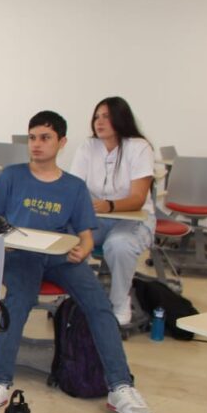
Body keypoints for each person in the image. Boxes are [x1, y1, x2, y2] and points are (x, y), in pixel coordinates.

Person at [0, 111, 154, 413]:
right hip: (21, 255)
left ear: (62, 142)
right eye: (32, 137)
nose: (37, 144)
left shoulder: (73, 186)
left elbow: (85, 235)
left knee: (99, 306)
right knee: (17, 303)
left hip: (61, 257)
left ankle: (120, 386)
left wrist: (84, 249)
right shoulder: (11, 175)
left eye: (45, 138)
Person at [70, 97, 155, 326]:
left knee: (118, 245)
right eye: (97, 116)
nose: (99, 122)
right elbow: (74, 186)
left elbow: (138, 198)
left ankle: (120, 303)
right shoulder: (88, 146)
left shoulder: (139, 147)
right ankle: (83, 298)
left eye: (106, 116)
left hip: (133, 220)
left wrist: (110, 205)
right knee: (68, 239)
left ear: (121, 118)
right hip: (97, 219)